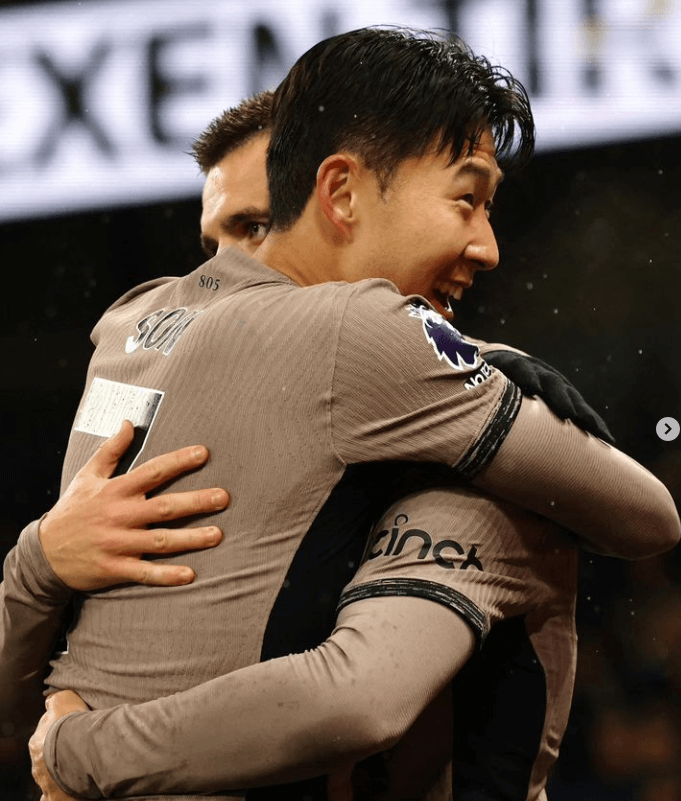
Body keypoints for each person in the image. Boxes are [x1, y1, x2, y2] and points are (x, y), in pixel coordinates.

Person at [19, 27, 679, 801]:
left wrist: (37, 562)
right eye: (466, 200)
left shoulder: (127, 324)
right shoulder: (362, 335)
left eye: (256, 226)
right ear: (339, 195)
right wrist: (77, 742)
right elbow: (648, 517)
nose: (488, 245)